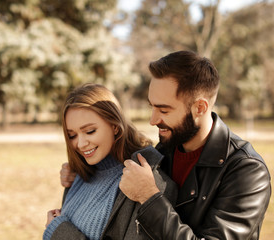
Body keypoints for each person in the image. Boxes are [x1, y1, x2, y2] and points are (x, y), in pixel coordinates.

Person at [61, 51, 271, 239]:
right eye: (152, 107)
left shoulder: (247, 171)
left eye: (163, 110)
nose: (153, 120)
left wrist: (150, 197)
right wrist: (81, 169)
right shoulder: (162, 151)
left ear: (200, 107)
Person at [43, 83, 177, 240]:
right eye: (72, 135)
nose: (80, 144)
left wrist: (58, 231)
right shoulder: (81, 172)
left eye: (90, 131)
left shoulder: (146, 179)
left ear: (114, 125)